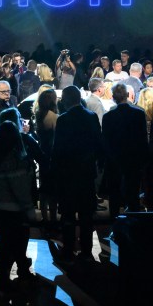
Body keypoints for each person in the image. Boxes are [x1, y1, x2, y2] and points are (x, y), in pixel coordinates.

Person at [0, 121, 37, 294]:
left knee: (5, 243)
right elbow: (19, 187)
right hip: (14, 208)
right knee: (18, 241)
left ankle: (4, 277)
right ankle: (6, 278)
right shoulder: (15, 158)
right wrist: (28, 209)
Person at [52, 86, 103, 261]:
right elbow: (98, 144)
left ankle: (68, 249)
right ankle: (87, 251)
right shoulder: (91, 116)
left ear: (66, 100)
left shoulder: (63, 119)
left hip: (68, 174)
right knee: (86, 214)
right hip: (86, 172)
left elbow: (57, 150)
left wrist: (55, 172)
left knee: (67, 214)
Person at [101, 83, 148, 218]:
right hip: (133, 160)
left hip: (114, 161)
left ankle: (114, 225)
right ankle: (134, 225)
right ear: (127, 95)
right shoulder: (139, 114)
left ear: (114, 97)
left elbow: (106, 141)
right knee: (133, 195)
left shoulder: (108, 116)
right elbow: (143, 139)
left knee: (114, 196)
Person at [33, 88, 59, 228]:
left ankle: (44, 216)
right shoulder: (53, 116)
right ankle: (53, 218)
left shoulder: (39, 114)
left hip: (43, 153)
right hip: (51, 155)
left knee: (44, 187)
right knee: (52, 189)